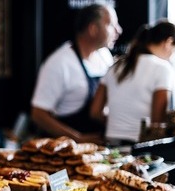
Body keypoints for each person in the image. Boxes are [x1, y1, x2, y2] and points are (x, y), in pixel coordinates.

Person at [31, 3, 122, 144]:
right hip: (65, 151)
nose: (118, 30)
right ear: (93, 29)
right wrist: (77, 139)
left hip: (98, 147)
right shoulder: (59, 63)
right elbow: (38, 115)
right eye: (111, 25)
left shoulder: (104, 56)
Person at [90, 20, 175, 145]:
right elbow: (157, 123)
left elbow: (95, 112)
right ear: (169, 42)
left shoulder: (115, 66)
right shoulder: (163, 68)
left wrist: (119, 124)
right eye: (174, 51)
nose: (172, 55)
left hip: (111, 145)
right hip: (141, 148)